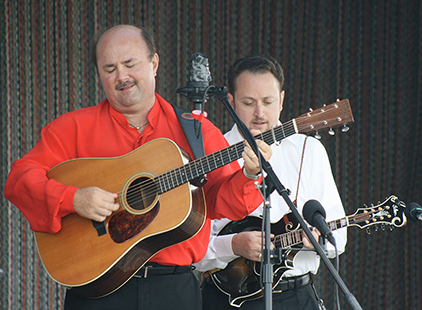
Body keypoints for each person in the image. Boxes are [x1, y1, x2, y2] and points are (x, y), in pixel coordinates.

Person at [4, 25, 272, 310]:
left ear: (153, 64)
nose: (121, 76)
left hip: (174, 290)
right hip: (98, 291)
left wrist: (250, 174)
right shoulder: (72, 128)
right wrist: (73, 198)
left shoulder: (198, 132)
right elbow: (19, 180)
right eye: (109, 69)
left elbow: (221, 203)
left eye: (130, 64)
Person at [194, 54, 347, 310]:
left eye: (268, 101)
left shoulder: (309, 150)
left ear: (282, 100)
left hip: (295, 295)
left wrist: (316, 240)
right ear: (230, 101)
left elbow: (337, 240)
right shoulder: (211, 152)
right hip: (226, 298)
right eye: (248, 102)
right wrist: (232, 244)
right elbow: (191, 248)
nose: (259, 113)